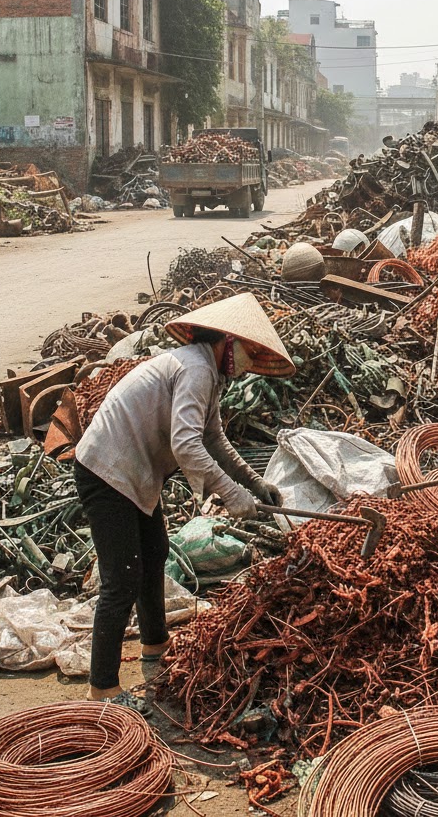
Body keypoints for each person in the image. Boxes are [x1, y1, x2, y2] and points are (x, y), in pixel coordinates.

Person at [73, 292, 295, 710]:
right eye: (248, 352)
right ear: (228, 343)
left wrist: (254, 484)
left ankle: (155, 645)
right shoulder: (195, 369)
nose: (249, 362)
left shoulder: (205, 371)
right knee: (121, 579)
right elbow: (187, 446)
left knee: (154, 554)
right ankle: (102, 688)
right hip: (107, 470)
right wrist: (232, 497)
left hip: (133, 472)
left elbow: (213, 438)